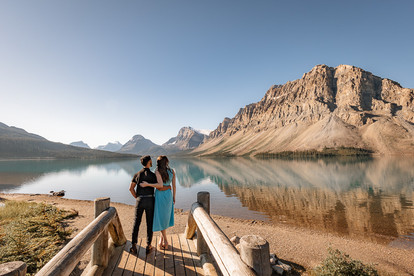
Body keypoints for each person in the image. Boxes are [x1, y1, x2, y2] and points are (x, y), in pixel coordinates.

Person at [129, 155, 171, 255]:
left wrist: (137, 197)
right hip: (150, 200)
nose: (152, 162)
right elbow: (160, 187)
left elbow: (131, 189)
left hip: (140, 200)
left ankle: (134, 246)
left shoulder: (137, 174)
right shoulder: (153, 175)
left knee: (136, 223)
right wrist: (168, 187)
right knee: (149, 223)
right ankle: (148, 246)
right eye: (151, 161)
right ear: (149, 162)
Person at [140, 155, 176, 250]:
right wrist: (174, 197)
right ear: (166, 162)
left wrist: (147, 184)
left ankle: (166, 241)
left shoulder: (157, 171)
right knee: (163, 218)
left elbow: (159, 186)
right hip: (168, 195)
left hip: (160, 196)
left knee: (161, 218)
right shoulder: (172, 171)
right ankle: (161, 241)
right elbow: (174, 186)